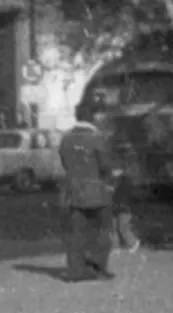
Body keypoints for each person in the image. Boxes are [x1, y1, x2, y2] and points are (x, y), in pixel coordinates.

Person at [58, 101, 116, 282]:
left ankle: (76, 270)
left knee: (77, 232)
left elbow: (64, 162)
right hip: (97, 191)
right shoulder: (96, 137)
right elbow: (105, 165)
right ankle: (98, 268)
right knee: (102, 231)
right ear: (92, 117)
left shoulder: (66, 138)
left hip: (74, 191)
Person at [112, 167, 141, 252]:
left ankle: (133, 243)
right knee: (113, 228)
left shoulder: (124, 184)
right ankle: (115, 247)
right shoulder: (115, 183)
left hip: (123, 210)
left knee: (122, 227)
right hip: (115, 209)